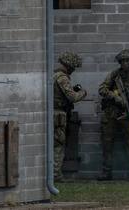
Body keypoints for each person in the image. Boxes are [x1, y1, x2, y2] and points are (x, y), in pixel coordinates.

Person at [97, 49, 129, 182]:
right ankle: (106, 172)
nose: (125, 63)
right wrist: (115, 97)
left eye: (128, 61)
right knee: (107, 144)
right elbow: (102, 89)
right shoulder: (114, 75)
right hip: (110, 114)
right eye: (123, 61)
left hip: (126, 116)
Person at [54, 51, 87, 181]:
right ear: (69, 66)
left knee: (54, 144)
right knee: (58, 145)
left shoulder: (54, 75)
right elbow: (72, 97)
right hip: (58, 115)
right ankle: (56, 175)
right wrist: (83, 93)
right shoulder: (62, 77)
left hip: (54, 113)